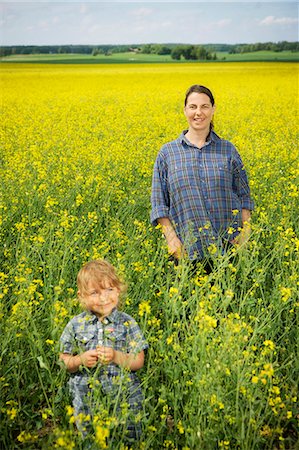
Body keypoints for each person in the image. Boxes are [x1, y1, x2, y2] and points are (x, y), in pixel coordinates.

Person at [150, 84, 254, 272]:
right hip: (185, 251)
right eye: (193, 107)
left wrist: (244, 235)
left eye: (204, 106)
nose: (199, 112)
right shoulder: (168, 153)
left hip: (227, 250)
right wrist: (171, 239)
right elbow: (159, 204)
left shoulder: (228, 150)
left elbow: (244, 196)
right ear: (185, 110)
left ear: (213, 110)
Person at [59, 259, 148, 444]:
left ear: (118, 290)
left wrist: (116, 356)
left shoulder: (127, 323)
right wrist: (80, 360)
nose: (103, 298)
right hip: (87, 399)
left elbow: (138, 361)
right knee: (91, 441)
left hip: (124, 398)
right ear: (81, 296)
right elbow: (63, 362)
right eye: (94, 293)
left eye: (109, 289)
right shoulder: (75, 325)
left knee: (129, 439)